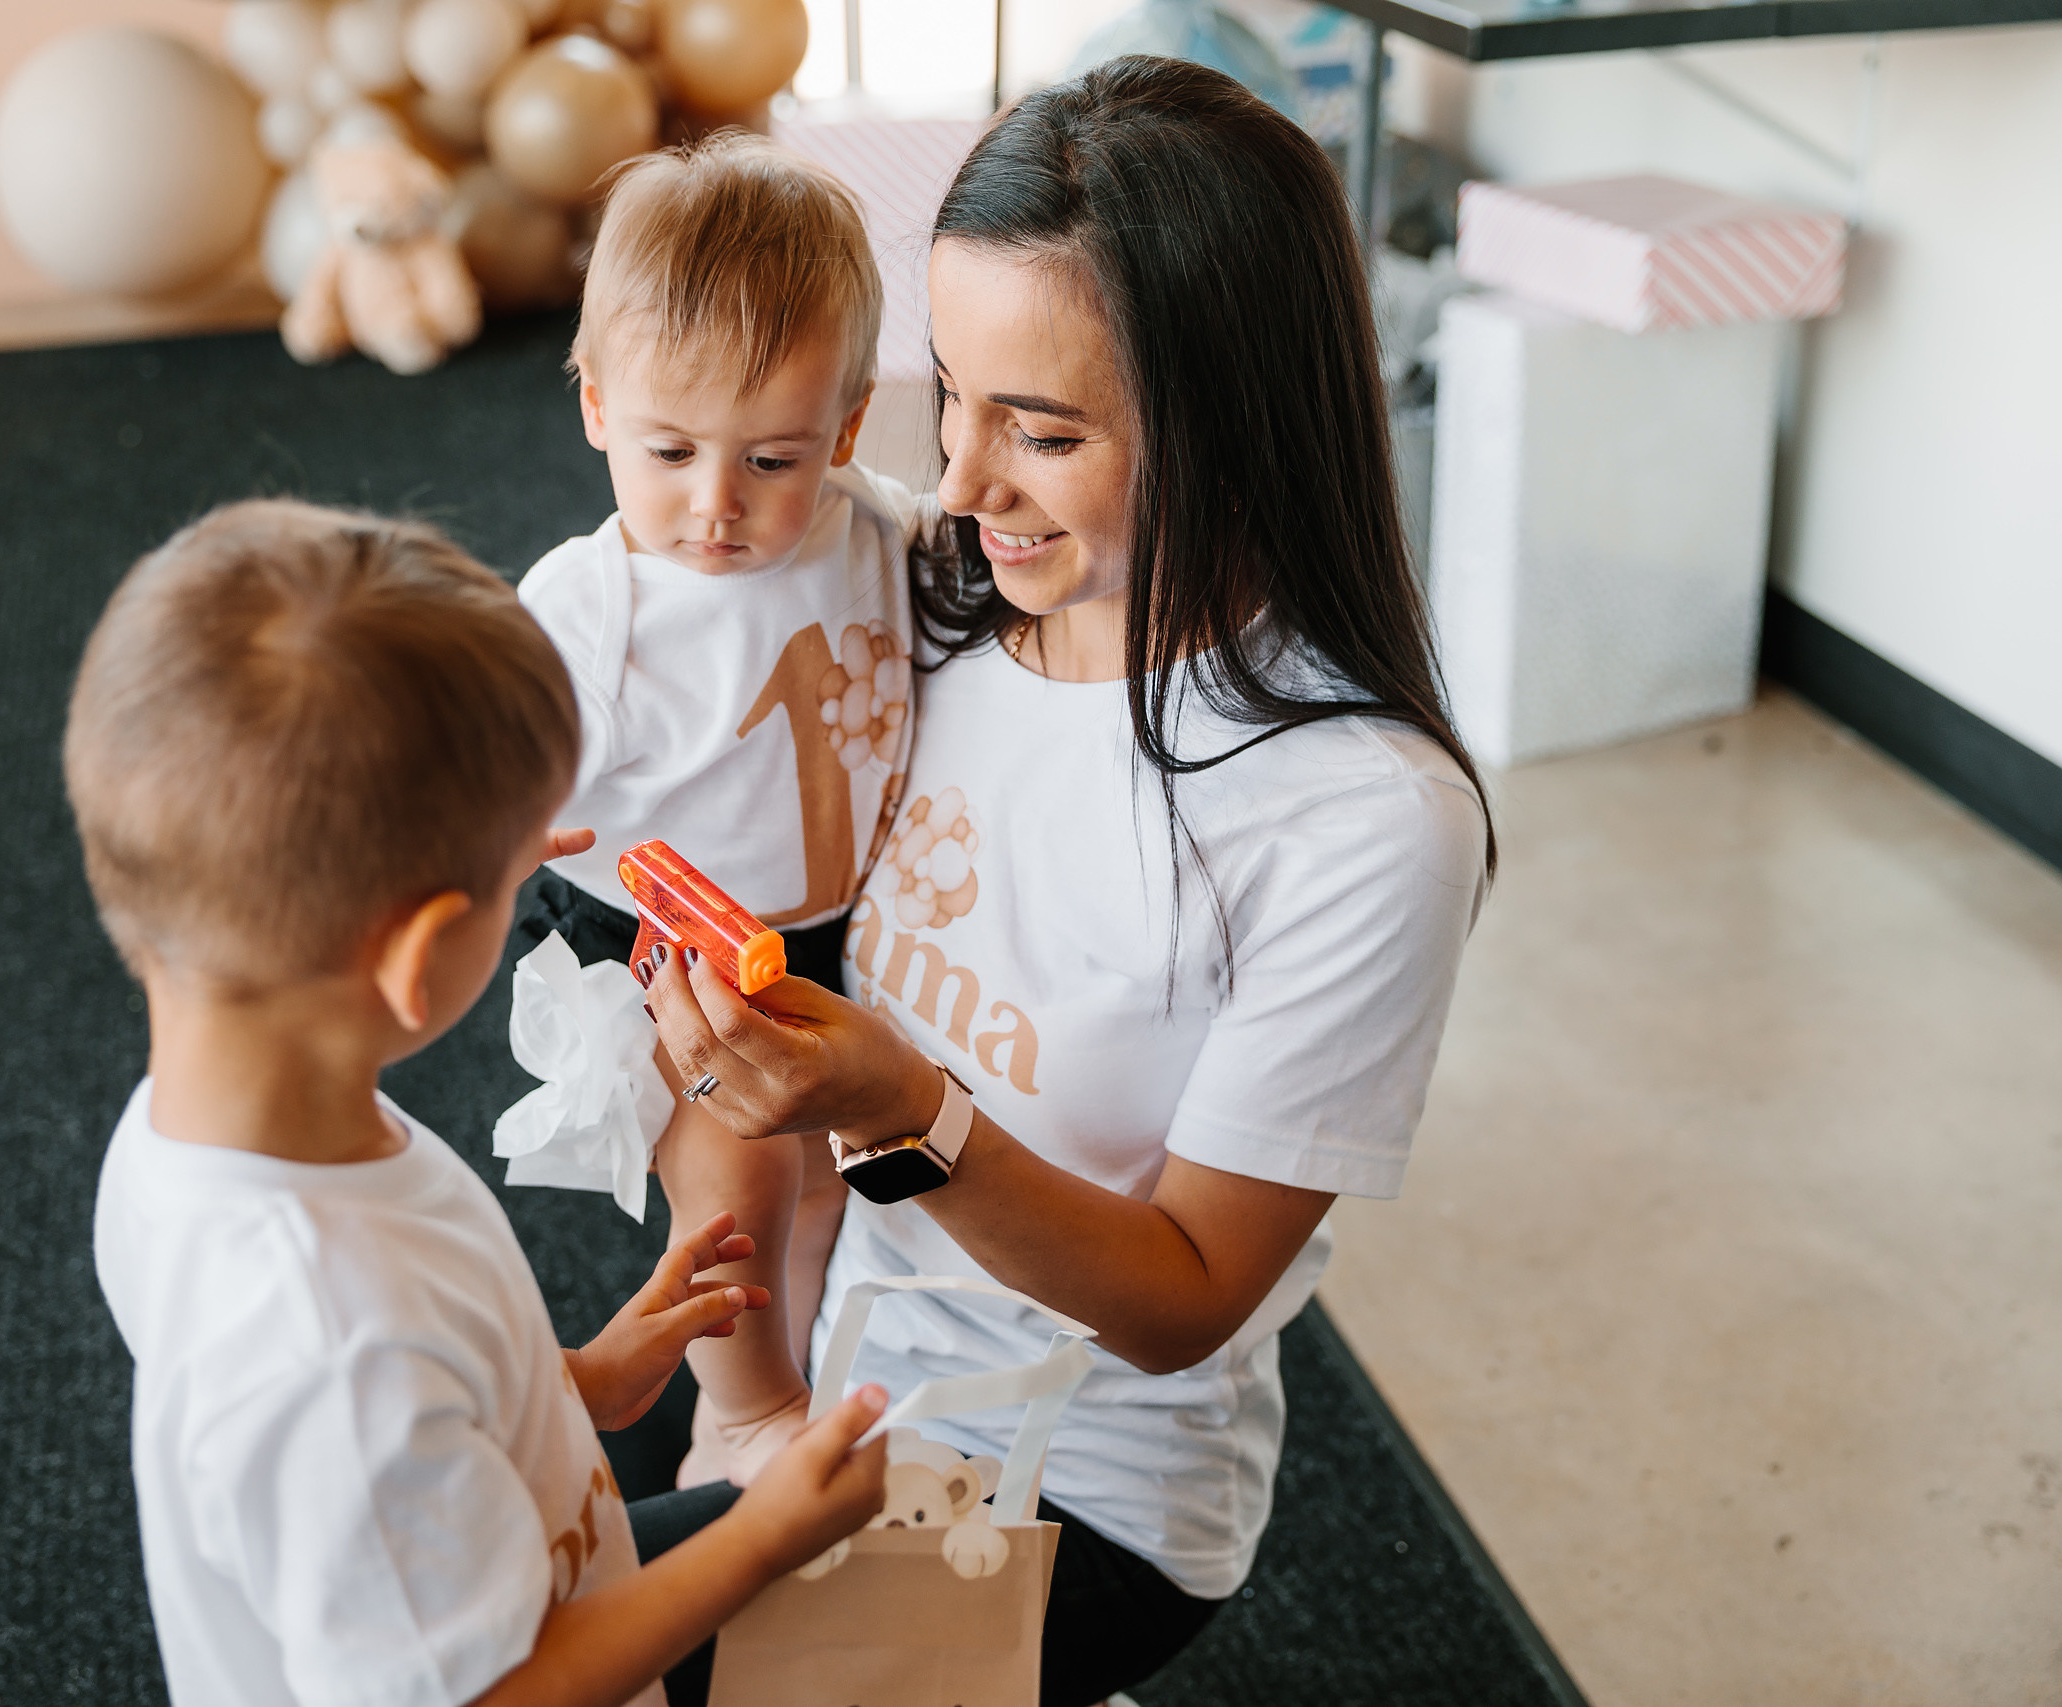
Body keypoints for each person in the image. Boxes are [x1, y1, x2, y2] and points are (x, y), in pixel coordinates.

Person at [636, 57, 1496, 1707]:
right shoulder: (924, 606)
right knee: (473, 1584)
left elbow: (1182, 1304)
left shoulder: (1363, 816)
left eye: (1043, 430)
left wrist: (908, 1107)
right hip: (849, 1378)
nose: (958, 479)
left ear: (1237, 424)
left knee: (536, 1655)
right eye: (949, 391)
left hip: (1075, 1487)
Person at [66, 499, 890, 1707]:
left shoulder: (191, 1140)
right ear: (422, 956)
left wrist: (574, 1382)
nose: (537, 875)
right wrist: (765, 1538)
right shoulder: (334, 1348)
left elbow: (413, 1433)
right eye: (524, 871)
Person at [511, 133, 932, 1487]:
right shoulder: (596, 606)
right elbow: (489, 741)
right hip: (669, 950)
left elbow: (966, 577)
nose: (716, 504)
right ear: (592, 405)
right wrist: (496, 819)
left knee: (831, 1175)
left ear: (851, 426)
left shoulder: (871, 523)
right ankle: (738, 1409)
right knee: (742, 1175)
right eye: (671, 448)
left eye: (772, 458)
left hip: (831, 927)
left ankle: (797, 1365)